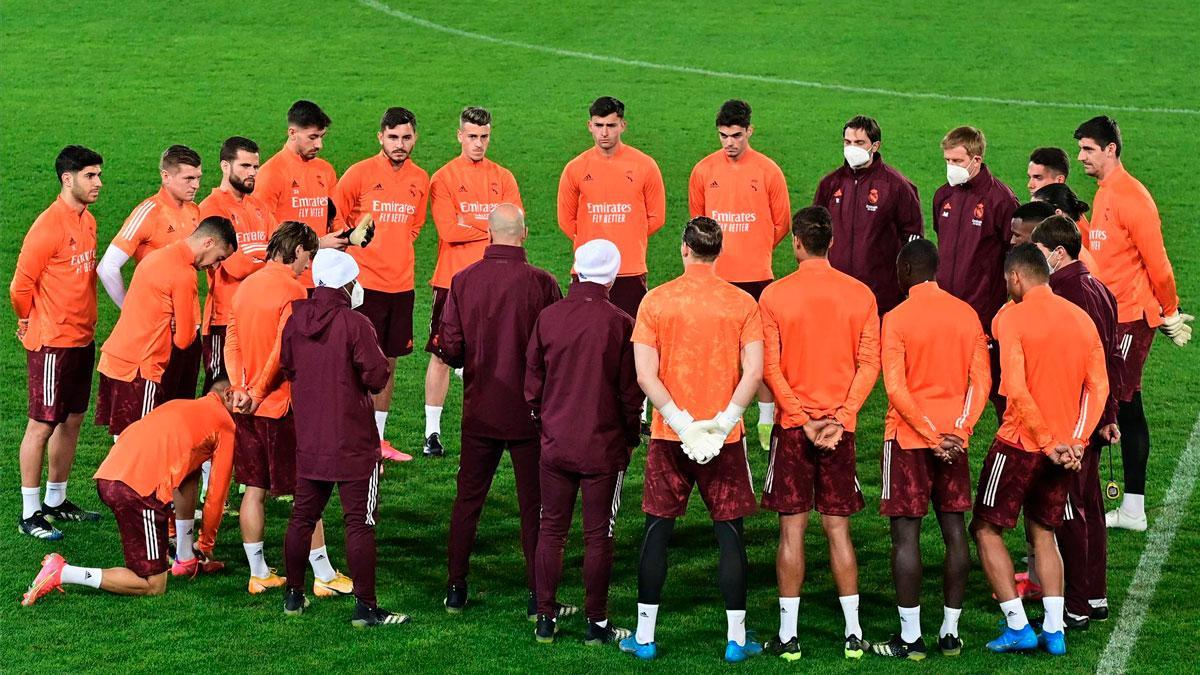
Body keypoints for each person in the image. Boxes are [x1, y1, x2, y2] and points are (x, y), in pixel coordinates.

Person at [619, 216, 764, 664]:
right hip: (726, 440)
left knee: (657, 532)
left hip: (669, 438)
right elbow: (754, 372)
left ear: (684, 249)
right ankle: (736, 640)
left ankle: (645, 637)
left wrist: (683, 425)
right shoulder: (741, 303)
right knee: (730, 535)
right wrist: (720, 426)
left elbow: (646, 374)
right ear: (718, 252)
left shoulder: (656, 301)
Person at [972, 243, 1108, 657]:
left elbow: (1016, 386)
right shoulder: (1081, 319)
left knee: (986, 528)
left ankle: (1017, 625)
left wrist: (1047, 442)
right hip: (1066, 448)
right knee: (1044, 531)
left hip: (1020, 444)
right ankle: (1054, 629)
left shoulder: (1012, 318)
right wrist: (1077, 441)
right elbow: (1098, 387)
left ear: (1016, 277)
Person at [758, 206, 879, 661]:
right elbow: (870, 364)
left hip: (795, 429)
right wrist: (842, 417)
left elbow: (770, 366)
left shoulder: (773, 296)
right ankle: (853, 634)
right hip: (838, 430)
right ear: (831, 243)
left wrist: (801, 418)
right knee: (838, 530)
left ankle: (789, 637)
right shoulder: (860, 294)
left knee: (791, 532)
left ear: (796, 243)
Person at [437, 204, 565, 619]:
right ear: (524, 232)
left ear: (489, 234)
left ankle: (456, 589)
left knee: (467, 501)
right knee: (535, 507)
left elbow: (451, 348)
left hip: (480, 411)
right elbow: (555, 351)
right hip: (530, 415)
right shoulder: (543, 284)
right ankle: (537, 597)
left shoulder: (463, 280)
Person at [871, 239, 989, 660]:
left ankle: (910, 639)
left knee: (906, 537)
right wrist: (960, 431)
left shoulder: (897, 318)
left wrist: (928, 433)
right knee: (955, 532)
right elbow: (982, 383)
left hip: (907, 441)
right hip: (954, 445)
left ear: (905, 273)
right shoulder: (967, 314)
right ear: (935, 271)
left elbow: (896, 387)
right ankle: (951, 634)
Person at [20, 382, 237, 606]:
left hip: (111, 476)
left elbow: (188, 477)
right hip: (139, 491)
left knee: (186, 479)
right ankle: (63, 572)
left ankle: (184, 559)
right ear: (229, 394)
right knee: (153, 585)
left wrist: (187, 554)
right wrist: (206, 545)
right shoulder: (225, 423)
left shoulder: (180, 406)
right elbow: (216, 494)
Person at [1074, 115, 1191, 531]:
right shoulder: (1105, 192)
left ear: (1111, 150)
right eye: (1080, 149)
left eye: (1088, 149)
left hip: (1130, 320)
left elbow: (1158, 264)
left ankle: (1132, 509)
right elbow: (1105, 255)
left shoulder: (1131, 197)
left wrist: (1170, 311)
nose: (1081, 156)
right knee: (1126, 405)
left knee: (1120, 406)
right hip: (1112, 317)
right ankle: (1131, 509)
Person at [224, 221, 353, 597]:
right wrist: (260, 393)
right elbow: (283, 352)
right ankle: (324, 575)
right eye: (309, 256)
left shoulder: (246, 286)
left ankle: (259, 572)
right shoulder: (294, 290)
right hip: (280, 409)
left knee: (253, 489)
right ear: (297, 250)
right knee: (305, 492)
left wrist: (239, 390)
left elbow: (231, 338)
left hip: (245, 408)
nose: (308, 265)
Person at [279, 249, 407, 627]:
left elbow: (288, 366)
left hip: (310, 438)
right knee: (359, 522)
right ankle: (366, 608)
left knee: (302, 516)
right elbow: (377, 376)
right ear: (347, 284)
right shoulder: (355, 324)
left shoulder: (295, 320)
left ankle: (293, 596)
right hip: (353, 442)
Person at [525, 239, 641, 645]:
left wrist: (546, 423)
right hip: (603, 448)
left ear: (575, 269)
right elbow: (631, 394)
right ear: (612, 275)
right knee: (598, 534)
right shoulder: (620, 323)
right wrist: (630, 438)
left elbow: (532, 385)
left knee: (551, 529)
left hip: (555, 444)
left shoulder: (549, 317)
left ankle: (545, 618)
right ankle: (596, 624)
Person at [1032, 215, 1123, 627]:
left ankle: (1076, 604)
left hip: (1074, 419)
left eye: (1038, 253)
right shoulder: (1100, 288)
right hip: (1095, 415)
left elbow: (1087, 365)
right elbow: (1112, 358)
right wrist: (1110, 415)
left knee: (1071, 512)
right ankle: (1096, 596)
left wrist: (1091, 421)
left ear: (1058, 252)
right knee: (1090, 507)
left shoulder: (1065, 295)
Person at [12, 145, 104, 539]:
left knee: (72, 420)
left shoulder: (88, 221)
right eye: (90, 176)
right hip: (53, 343)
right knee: (41, 425)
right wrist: (28, 320)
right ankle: (29, 513)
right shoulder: (47, 227)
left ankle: (56, 500)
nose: (98, 183)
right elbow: (20, 287)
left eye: (99, 175)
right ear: (68, 179)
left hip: (82, 338)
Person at [688, 99, 790, 450]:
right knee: (718, 350)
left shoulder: (768, 171)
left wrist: (756, 248)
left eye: (735, 135)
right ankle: (720, 414)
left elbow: (782, 223)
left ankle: (764, 418)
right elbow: (698, 223)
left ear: (749, 131)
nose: (729, 143)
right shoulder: (703, 170)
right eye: (722, 136)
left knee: (758, 352)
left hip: (757, 275)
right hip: (716, 277)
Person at [424, 106, 522, 458]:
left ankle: (487, 426)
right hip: (451, 281)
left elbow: (516, 232)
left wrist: (471, 224)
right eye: (472, 136)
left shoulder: (504, 177)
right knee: (441, 354)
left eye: (484, 137)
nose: (478, 143)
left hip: (495, 281)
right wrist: (493, 229)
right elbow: (449, 231)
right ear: (459, 136)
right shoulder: (444, 178)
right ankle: (431, 432)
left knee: (493, 355)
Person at [333, 107, 430, 463]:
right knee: (354, 363)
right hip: (364, 285)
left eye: (406, 138)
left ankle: (377, 441)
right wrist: (355, 245)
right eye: (393, 137)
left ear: (414, 138)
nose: (400, 144)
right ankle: (349, 437)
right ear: (380, 137)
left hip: (401, 286)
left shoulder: (421, 179)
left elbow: (414, 226)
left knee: (387, 364)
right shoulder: (358, 174)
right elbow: (337, 220)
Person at [95, 217, 237, 437]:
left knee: (123, 446)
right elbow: (183, 339)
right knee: (141, 447)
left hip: (115, 362)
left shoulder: (156, 256)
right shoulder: (184, 273)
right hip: (141, 369)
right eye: (219, 258)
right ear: (208, 242)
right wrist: (185, 323)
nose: (215, 266)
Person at [97, 145, 205, 402]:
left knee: (180, 409)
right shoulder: (148, 213)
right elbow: (107, 266)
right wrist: (131, 308)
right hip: (159, 332)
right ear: (165, 177)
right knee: (149, 410)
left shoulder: (194, 212)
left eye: (199, 177)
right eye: (188, 178)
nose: (196, 185)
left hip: (189, 327)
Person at [932, 126, 1019, 417]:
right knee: (945, 385)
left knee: (997, 389)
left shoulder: (1002, 200)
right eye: (947, 161)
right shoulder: (943, 196)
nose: (951, 167)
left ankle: (1012, 442)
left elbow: (1015, 255)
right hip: (945, 313)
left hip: (984, 313)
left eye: (957, 161)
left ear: (976, 160)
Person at [557, 95, 666, 320]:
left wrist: (628, 235)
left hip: (630, 269)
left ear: (622, 126)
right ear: (590, 126)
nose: (604, 133)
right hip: (587, 272)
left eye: (611, 125)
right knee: (586, 336)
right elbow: (566, 220)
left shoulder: (645, 165)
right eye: (599, 125)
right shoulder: (575, 168)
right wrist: (591, 245)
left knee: (630, 337)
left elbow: (657, 217)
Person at [814, 115, 924, 314]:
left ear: (875, 146)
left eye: (859, 142)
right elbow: (815, 235)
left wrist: (909, 285)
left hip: (881, 295)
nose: (852, 148)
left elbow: (913, 240)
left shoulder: (897, 186)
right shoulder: (829, 184)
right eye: (847, 142)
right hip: (836, 293)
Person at [197, 136, 275, 391]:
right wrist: (265, 257)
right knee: (221, 390)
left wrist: (254, 255)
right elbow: (235, 266)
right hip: (225, 318)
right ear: (225, 166)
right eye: (245, 166)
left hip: (259, 315)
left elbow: (280, 252)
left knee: (253, 387)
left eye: (255, 167)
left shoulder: (259, 207)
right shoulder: (211, 208)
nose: (252, 173)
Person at [255, 100, 346, 290]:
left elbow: (334, 217)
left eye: (322, 136)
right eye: (312, 137)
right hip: (287, 280)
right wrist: (318, 244)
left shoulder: (325, 170)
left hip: (322, 279)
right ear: (292, 133)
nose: (319, 144)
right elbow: (265, 234)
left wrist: (347, 237)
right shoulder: (271, 173)